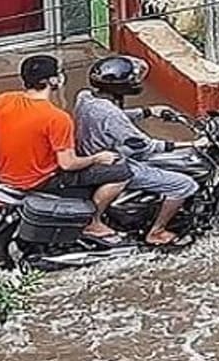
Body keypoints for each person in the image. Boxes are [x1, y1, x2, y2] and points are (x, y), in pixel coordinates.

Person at [0, 55, 129, 248]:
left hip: (4, 179)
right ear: (53, 81)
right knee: (122, 173)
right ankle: (93, 223)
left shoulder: (2, 100)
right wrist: (97, 157)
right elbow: (67, 164)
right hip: (40, 181)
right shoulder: (57, 118)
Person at [73, 55, 201, 247]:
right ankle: (156, 232)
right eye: (131, 79)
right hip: (111, 162)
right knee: (183, 184)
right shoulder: (111, 114)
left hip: (91, 153)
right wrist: (192, 144)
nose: (135, 81)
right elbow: (145, 146)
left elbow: (113, 120)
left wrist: (147, 112)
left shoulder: (85, 97)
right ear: (120, 86)